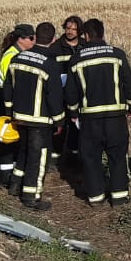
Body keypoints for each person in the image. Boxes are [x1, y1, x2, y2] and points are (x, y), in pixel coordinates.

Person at [62, 18, 131, 206]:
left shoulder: (77, 59)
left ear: (86, 36)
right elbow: (129, 83)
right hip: (115, 118)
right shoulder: (117, 54)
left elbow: (71, 92)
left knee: (91, 157)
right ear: (102, 33)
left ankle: (95, 197)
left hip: (89, 119)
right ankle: (119, 197)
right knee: (118, 157)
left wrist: (72, 113)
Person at [5, 22, 64, 211]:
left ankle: (15, 185)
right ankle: (32, 195)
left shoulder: (17, 58)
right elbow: (53, 95)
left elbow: (8, 87)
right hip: (40, 119)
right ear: (53, 40)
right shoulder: (50, 64)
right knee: (38, 157)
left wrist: (9, 111)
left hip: (19, 116)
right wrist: (59, 119)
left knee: (23, 150)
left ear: (35, 37)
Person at [0, 25, 34, 188]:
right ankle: (5, 177)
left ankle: (11, 175)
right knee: (8, 139)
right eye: (31, 38)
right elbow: (9, 83)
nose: (34, 41)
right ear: (21, 39)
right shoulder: (11, 56)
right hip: (6, 101)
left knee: (14, 140)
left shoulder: (16, 53)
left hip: (9, 100)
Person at [49, 15, 84, 168]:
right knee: (59, 127)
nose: (70, 31)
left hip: (80, 95)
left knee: (76, 126)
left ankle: (74, 157)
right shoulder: (55, 48)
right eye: (67, 28)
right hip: (61, 95)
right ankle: (54, 158)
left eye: (73, 29)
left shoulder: (85, 46)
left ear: (80, 31)